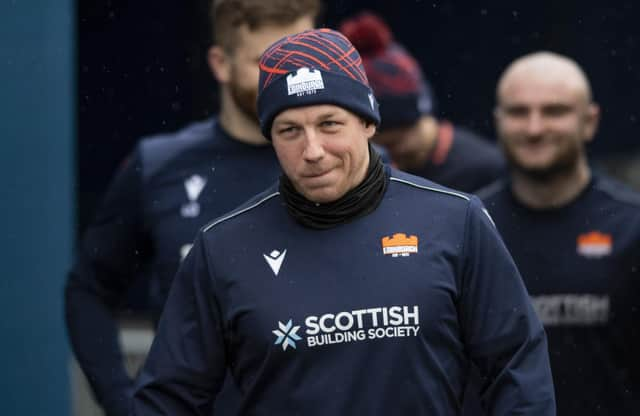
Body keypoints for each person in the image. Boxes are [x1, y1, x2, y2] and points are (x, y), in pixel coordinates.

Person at [131, 28, 555, 415]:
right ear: (270, 139)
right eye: (289, 130)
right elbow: (167, 399)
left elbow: (517, 367)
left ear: (368, 122)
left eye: (329, 124)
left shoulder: (455, 220)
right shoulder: (223, 247)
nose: (313, 150)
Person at [64, 1, 320, 415]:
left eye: (301, 60)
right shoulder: (160, 166)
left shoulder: (353, 165)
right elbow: (88, 289)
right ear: (221, 63)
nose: (290, 79)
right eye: (267, 62)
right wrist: (123, 402)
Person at [479, 51, 640, 414]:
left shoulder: (632, 227)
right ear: (498, 120)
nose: (535, 128)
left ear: (590, 121)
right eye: (519, 112)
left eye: (555, 111)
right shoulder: (467, 227)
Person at [339, 12, 505, 193]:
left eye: (396, 142)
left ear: (423, 118)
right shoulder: (360, 180)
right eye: (375, 144)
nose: (387, 155)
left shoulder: (484, 169)